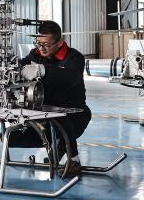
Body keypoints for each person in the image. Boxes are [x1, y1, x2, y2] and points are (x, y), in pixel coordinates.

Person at [8, 20, 92, 179]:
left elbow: (69, 78)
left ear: (60, 42)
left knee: (60, 119)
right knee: (10, 138)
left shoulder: (74, 57)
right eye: (38, 43)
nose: (41, 48)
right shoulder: (35, 55)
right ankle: (57, 145)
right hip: (42, 115)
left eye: (46, 44)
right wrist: (13, 68)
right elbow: (20, 67)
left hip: (74, 115)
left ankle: (73, 161)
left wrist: (43, 70)